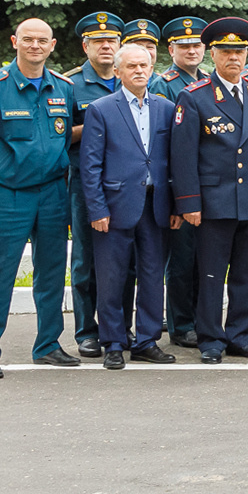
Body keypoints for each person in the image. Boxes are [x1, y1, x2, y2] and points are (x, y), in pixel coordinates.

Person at [0, 18, 78, 377]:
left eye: (42, 40)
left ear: (52, 45)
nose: (35, 45)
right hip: (6, 196)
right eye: (27, 39)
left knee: (50, 274)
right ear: (15, 41)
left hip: (51, 194)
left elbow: (67, 137)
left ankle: (47, 345)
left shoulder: (63, 88)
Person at [168, 18, 248, 364]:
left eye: (239, 51)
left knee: (247, 273)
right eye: (226, 51)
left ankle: (240, 334)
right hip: (214, 202)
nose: (234, 58)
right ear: (212, 54)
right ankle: (211, 338)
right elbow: (183, 157)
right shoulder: (195, 97)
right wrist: (188, 202)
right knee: (212, 275)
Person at [78, 40, 177, 369]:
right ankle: (114, 342)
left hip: (156, 205)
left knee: (152, 276)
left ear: (152, 69)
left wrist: (176, 205)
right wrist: (97, 209)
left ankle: (147, 340)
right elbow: (89, 165)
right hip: (115, 206)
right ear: (118, 71)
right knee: (112, 277)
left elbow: (173, 161)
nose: (139, 71)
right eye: (131, 66)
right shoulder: (101, 109)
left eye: (144, 65)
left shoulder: (165, 108)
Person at [66, 12, 123, 359]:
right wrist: (100, 124)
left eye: (112, 41)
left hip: (127, 184)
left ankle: (119, 327)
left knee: (125, 260)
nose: (106, 46)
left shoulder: (132, 77)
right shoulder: (70, 85)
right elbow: (59, 137)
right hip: (87, 184)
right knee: (86, 260)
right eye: (98, 41)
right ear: (85, 46)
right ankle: (87, 331)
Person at [154, 16, 208, 347]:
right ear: (171, 49)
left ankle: (203, 319)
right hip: (182, 185)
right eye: (184, 45)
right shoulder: (164, 85)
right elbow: (164, 145)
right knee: (182, 260)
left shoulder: (209, 81)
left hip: (210, 184)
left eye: (196, 45)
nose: (191, 50)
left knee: (206, 258)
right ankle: (181, 324)